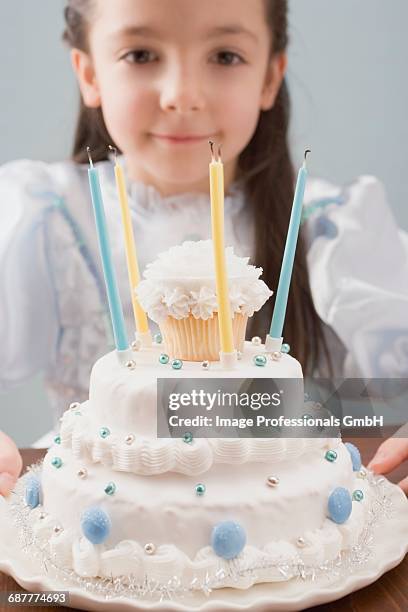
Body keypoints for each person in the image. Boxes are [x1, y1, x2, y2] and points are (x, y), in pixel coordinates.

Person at [0, 1, 407, 485]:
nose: (182, 96)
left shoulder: (329, 225)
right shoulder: (43, 212)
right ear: (88, 73)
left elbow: (391, 397)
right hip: (91, 507)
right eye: (141, 54)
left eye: (226, 56)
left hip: (280, 508)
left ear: (271, 77)